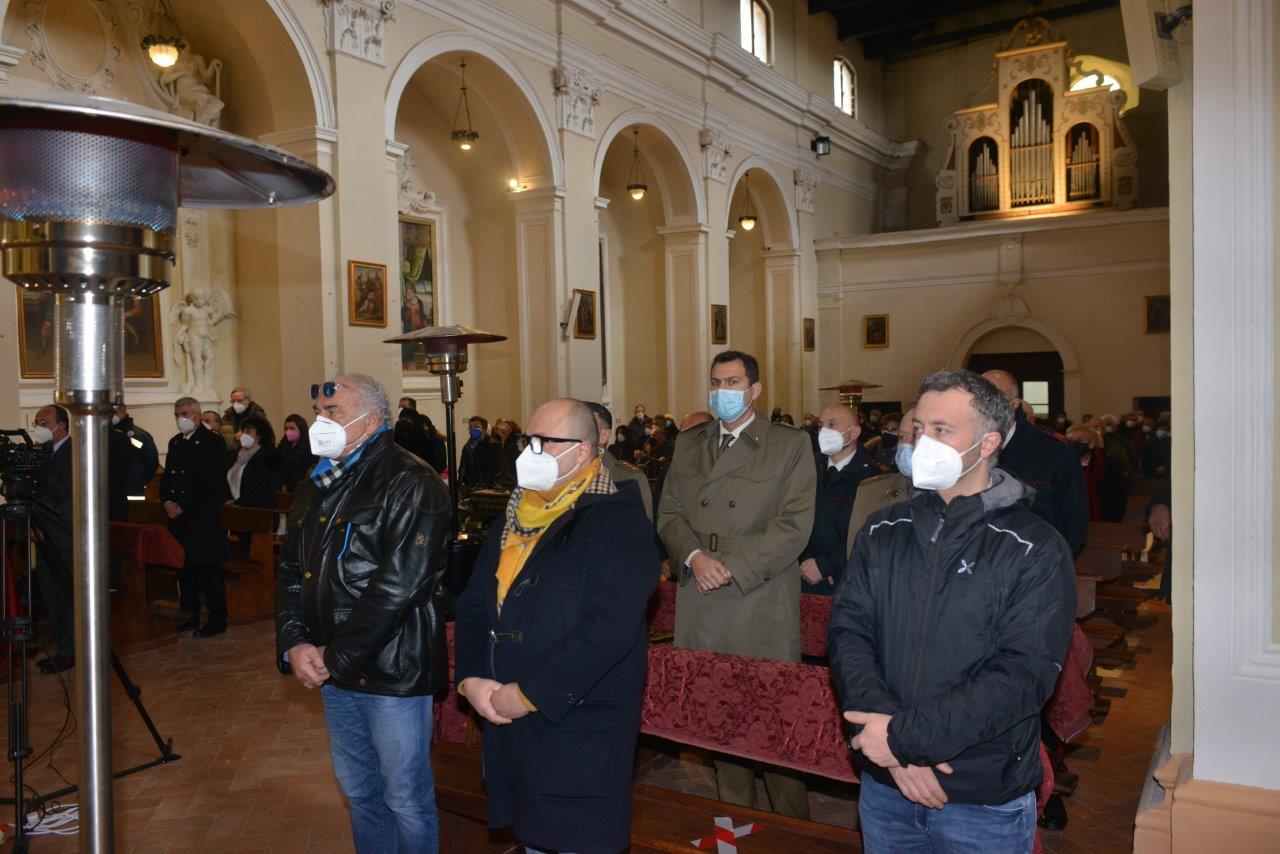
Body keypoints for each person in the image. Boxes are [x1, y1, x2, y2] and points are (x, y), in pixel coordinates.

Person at [828, 370, 1075, 852]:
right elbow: (849, 632)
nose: (923, 442)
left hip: (980, 794)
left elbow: (1023, 675)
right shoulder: (883, 529)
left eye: (942, 430)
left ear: (987, 444)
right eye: (919, 428)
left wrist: (903, 740)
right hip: (886, 785)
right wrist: (890, 743)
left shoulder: (1034, 547)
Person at [455, 398, 658, 853]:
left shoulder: (620, 525)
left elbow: (606, 631)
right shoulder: (513, 516)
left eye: (545, 442)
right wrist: (471, 679)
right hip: (508, 718)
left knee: (569, 841)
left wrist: (528, 694)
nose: (531, 451)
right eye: (528, 440)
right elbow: (473, 605)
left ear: (583, 451)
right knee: (531, 838)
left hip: (577, 724)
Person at [276, 374, 450, 853]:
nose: (320, 422)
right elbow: (291, 569)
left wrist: (335, 656)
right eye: (318, 412)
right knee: (359, 792)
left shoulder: (411, 481)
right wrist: (294, 641)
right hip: (334, 667)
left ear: (370, 421)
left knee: (405, 797)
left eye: (333, 412)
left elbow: (399, 587)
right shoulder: (319, 480)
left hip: (391, 668)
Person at [657, 350, 816, 818]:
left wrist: (729, 567)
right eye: (715, 382)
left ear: (755, 390)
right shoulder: (690, 443)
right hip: (703, 594)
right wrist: (693, 557)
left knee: (773, 720)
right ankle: (737, 824)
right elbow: (669, 513)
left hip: (757, 596)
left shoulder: (788, 444)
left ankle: (794, 831)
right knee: (719, 718)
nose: (722, 391)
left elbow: (794, 525)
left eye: (732, 382)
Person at [981, 370, 1089, 554]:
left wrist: (1049, 564)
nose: (985, 407)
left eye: (995, 398)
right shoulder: (963, 449)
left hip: (1037, 561)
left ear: (1014, 404)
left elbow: (1074, 523)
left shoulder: (1056, 451)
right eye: (978, 399)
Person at [162, 396, 232, 637]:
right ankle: (189, 614)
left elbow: (211, 481)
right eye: (177, 414)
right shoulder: (175, 442)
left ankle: (217, 618)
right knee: (185, 569)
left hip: (202, 515)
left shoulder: (213, 442)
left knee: (209, 568)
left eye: (184, 414)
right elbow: (168, 478)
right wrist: (167, 502)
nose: (180, 419)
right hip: (179, 517)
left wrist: (183, 504)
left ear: (197, 415)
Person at [799, 403, 882, 595]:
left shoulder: (872, 477)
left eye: (832, 424)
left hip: (846, 582)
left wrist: (827, 565)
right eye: (821, 426)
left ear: (854, 432)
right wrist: (803, 560)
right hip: (802, 573)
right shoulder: (807, 465)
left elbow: (870, 533)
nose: (824, 432)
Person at [31, 405, 75, 673]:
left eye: (44, 423)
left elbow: (63, 489)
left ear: (62, 425)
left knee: (65, 592)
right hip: (44, 532)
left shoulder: (75, 451)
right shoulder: (44, 452)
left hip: (64, 532)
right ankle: (62, 644)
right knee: (49, 591)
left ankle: (71, 650)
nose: (39, 428)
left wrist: (40, 470)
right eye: (36, 423)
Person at [586, 402, 653, 520]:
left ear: (604, 436)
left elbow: (640, 527)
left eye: (585, 428)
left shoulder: (630, 479)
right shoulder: (562, 474)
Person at [228, 415, 281, 509]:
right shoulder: (236, 455)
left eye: (248, 431)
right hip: (234, 509)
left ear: (260, 435)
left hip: (257, 510)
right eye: (243, 431)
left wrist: (238, 502)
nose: (244, 435)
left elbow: (261, 488)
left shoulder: (268, 456)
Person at [111, 402, 159, 497]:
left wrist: (139, 481)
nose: (110, 416)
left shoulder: (139, 435)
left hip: (132, 489)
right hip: (111, 490)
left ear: (123, 413)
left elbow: (151, 461)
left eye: (114, 412)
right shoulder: (104, 434)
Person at [1067, 424, 1104, 522]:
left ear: (1091, 443)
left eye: (1080, 440)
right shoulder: (1062, 465)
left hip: (1102, 515)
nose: (1074, 444)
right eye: (1070, 440)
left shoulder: (1106, 464)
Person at [274, 413, 317, 492]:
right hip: (281, 490)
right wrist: (280, 485)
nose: (288, 431)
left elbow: (307, 472)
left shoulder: (310, 448)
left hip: (300, 490)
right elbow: (276, 468)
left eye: (292, 428)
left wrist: (290, 487)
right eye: (286, 428)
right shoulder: (282, 446)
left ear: (301, 429)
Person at [459, 415, 500, 489]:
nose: (472, 429)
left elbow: (493, 469)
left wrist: (487, 485)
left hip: (484, 487)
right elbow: (462, 467)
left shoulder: (492, 444)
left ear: (484, 429)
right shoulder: (467, 446)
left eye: (476, 426)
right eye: (470, 427)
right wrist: (461, 483)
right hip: (469, 486)